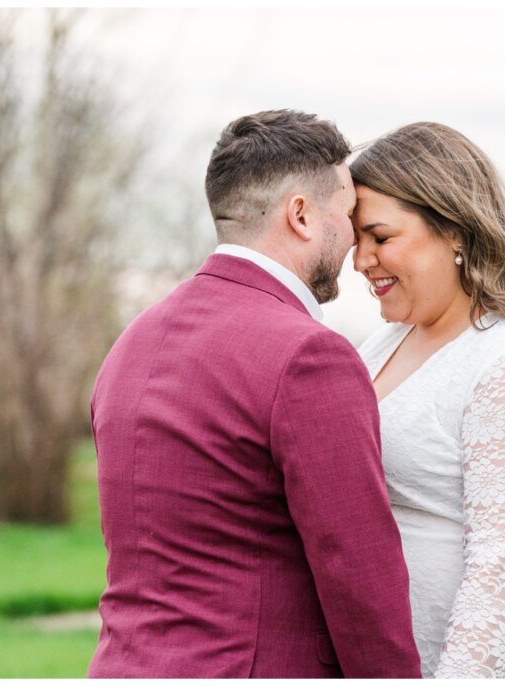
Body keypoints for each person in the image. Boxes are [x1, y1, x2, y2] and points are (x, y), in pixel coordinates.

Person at [87, 110, 420, 678]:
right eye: (346, 214)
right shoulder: (309, 357)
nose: (354, 243)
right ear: (301, 215)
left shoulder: (132, 344)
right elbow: (360, 580)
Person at [350, 122, 505, 678]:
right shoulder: (382, 344)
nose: (361, 260)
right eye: (356, 239)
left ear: (455, 231)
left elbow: (500, 571)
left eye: (380, 237)